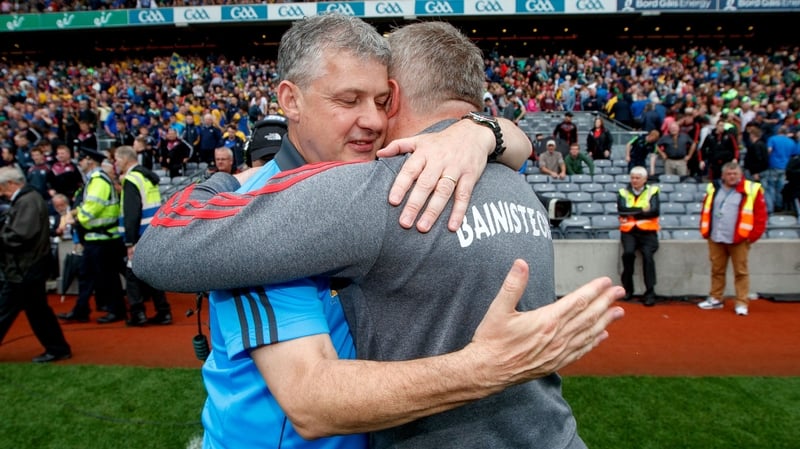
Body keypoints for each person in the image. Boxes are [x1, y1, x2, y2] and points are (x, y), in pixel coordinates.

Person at [135, 16, 623, 449]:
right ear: (291, 100)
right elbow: (311, 403)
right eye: (349, 100)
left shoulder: (386, 180)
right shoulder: (509, 185)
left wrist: (483, 131)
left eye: (381, 101)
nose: (371, 119)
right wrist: (231, 182)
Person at [0, 166, 72, 362]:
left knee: (9, 309)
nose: (1, 193)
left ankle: (58, 348)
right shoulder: (28, 199)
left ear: (12, 184)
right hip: (26, 266)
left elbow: (21, 235)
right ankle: (58, 348)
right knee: (37, 310)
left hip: (25, 266)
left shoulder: (28, 201)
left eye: (2, 188)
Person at [58, 147, 126, 324]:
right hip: (96, 238)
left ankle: (115, 310)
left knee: (107, 277)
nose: (79, 163)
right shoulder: (95, 180)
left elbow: (92, 209)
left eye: (81, 159)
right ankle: (81, 309)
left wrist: (76, 219)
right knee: (87, 275)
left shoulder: (98, 180)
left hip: (103, 238)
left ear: (90, 160)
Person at [697, 162, 767, 316]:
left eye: (735, 174)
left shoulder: (752, 189)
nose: (732, 177)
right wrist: (705, 231)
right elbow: (706, 209)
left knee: (741, 272)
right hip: (716, 236)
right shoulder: (713, 188)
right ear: (723, 175)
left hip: (739, 239)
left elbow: (761, 216)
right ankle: (716, 298)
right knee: (717, 269)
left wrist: (751, 237)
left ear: (740, 174)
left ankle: (741, 302)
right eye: (729, 174)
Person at [113, 146, 172, 327]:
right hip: (152, 230)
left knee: (132, 276)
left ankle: (138, 313)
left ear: (125, 159)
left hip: (139, 234)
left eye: (116, 159)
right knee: (151, 273)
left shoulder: (131, 179)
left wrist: (130, 241)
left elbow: (132, 213)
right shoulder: (147, 176)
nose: (115, 163)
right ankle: (163, 312)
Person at [617, 166, 660, 306]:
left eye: (637, 178)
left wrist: (632, 212)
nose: (634, 180)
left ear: (645, 179)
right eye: (632, 178)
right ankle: (628, 290)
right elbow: (622, 210)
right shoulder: (623, 192)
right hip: (629, 231)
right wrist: (642, 210)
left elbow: (654, 211)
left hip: (648, 232)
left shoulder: (652, 191)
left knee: (648, 257)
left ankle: (650, 292)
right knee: (628, 255)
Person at [763, 126, 800, 213]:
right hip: (786, 167)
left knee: (771, 187)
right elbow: (794, 155)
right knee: (781, 188)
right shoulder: (791, 141)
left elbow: (769, 150)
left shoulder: (772, 139)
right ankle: (780, 206)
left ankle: (772, 207)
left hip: (773, 166)